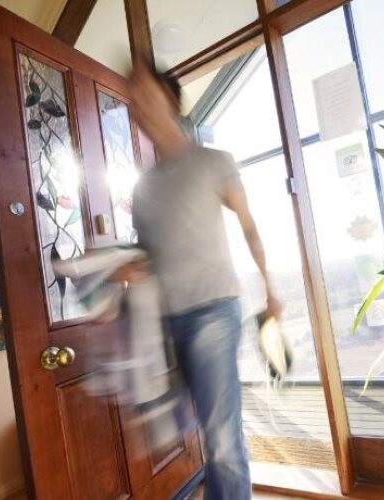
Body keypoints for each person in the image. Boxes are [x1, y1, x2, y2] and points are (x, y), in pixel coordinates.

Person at [125, 59, 282, 500]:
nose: (138, 105)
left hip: (213, 312)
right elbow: (146, 254)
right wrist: (128, 269)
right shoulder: (142, 188)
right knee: (173, 427)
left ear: (172, 101)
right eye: (132, 99)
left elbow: (250, 227)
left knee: (222, 440)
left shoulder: (213, 162)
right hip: (162, 324)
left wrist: (270, 289)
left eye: (145, 93)